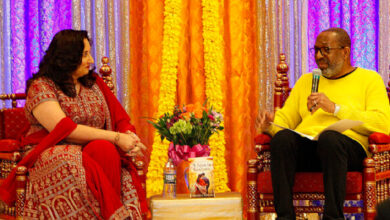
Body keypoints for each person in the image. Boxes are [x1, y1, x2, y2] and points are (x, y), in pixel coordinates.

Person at [0, 29, 147, 219]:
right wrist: (118, 138)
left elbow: (120, 118)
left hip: (92, 148)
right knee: (73, 159)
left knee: (105, 150)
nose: (91, 60)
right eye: (85, 54)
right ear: (68, 57)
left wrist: (130, 138)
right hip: (50, 149)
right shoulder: (42, 86)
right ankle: (114, 214)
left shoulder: (93, 83)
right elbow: (65, 129)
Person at [256, 27, 390, 219]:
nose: (319, 56)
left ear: (345, 52)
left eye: (326, 50)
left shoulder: (370, 80)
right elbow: (285, 119)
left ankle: (333, 217)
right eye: (316, 50)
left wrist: (335, 108)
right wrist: (269, 124)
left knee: (330, 138)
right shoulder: (307, 81)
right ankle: (285, 216)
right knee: (283, 139)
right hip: (310, 148)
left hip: (346, 150)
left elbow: (382, 123)